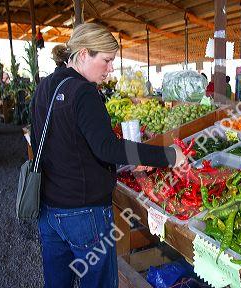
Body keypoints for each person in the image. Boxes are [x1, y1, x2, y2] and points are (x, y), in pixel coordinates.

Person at [30, 23, 186, 288]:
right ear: (82, 55)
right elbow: (107, 148)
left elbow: (40, 141)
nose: (111, 68)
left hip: (49, 210)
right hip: (84, 213)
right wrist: (169, 156)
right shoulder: (83, 92)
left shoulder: (46, 86)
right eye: (107, 60)